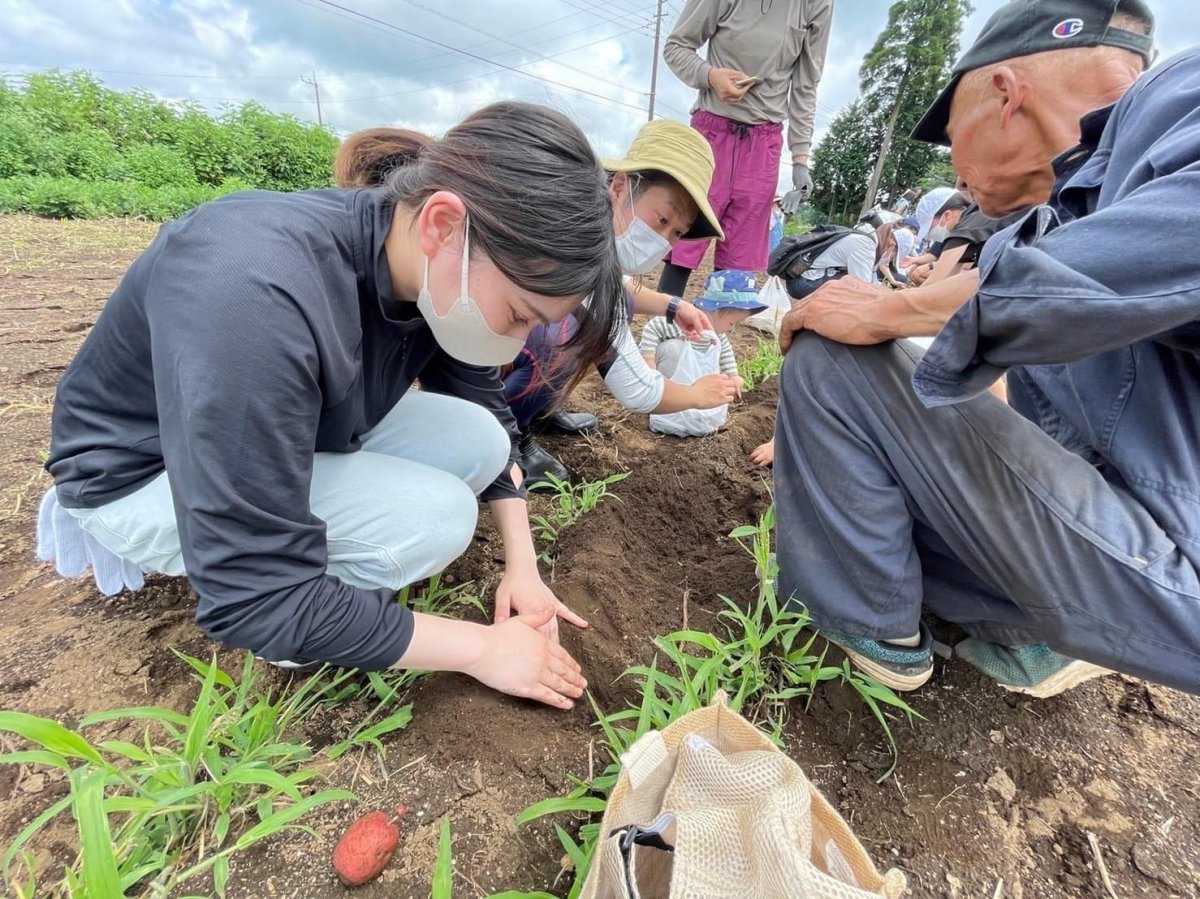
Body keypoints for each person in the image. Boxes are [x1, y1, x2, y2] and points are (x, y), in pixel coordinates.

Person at [37, 102, 628, 711]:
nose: (511, 344)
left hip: (284, 426)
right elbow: (254, 594)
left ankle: (327, 575)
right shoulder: (254, 288)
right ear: (444, 224)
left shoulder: (423, 265)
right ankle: (305, 632)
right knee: (436, 518)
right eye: (519, 316)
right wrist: (482, 649)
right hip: (145, 473)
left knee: (478, 438)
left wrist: (522, 569)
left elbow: (487, 407)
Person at [772, 0, 1200, 699]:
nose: (958, 177)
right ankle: (1027, 633)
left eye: (952, 144)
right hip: (1138, 547)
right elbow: (1018, 286)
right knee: (898, 493)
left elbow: (1112, 266)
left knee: (832, 363)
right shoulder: (1065, 210)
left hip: (1170, 562)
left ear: (1003, 95)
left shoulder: (1176, 98)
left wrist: (886, 307)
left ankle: (868, 629)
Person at [332, 120, 740, 487]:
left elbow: (620, 288)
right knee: (564, 329)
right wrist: (697, 396)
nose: (663, 239)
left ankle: (536, 412)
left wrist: (671, 306)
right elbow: (635, 388)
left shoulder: (594, 244)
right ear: (620, 188)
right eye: (661, 220)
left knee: (574, 323)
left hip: (446, 346)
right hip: (460, 347)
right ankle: (516, 430)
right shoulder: (572, 249)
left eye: (676, 233)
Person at [656, 0, 835, 298]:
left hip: (763, 145)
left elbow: (806, 84)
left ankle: (714, 342)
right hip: (711, 135)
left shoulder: (817, 4)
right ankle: (662, 330)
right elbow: (677, 47)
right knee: (684, 240)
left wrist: (801, 157)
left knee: (736, 265)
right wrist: (710, 76)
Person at [641, 269, 763, 387]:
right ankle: (667, 395)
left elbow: (726, 355)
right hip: (661, 375)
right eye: (732, 323)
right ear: (716, 310)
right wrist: (648, 358)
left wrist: (733, 376)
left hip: (689, 380)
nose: (732, 329)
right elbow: (653, 328)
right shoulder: (684, 321)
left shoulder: (718, 335)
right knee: (674, 348)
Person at [781, 220, 895, 299]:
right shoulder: (865, 245)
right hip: (803, 283)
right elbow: (862, 286)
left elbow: (871, 275)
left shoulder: (867, 237)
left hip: (803, 276)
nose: (892, 252)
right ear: (888, 238)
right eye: (893, 247)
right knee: (852, 287)